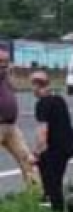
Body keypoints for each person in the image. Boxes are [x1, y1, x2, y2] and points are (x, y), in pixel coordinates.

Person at [32, 72, 73, 211]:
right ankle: (50, 199)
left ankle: (57, 209)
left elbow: (43, 132)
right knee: (50, 172)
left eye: (33, 86)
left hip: (56, 149)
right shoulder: (59, 100)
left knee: (52, 179)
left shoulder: (42, 104)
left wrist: (37, 152)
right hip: (70, 145)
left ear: (37, 86)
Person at [0, 47, 33, 191]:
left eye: (6, 61)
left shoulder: (6, 76)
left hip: (11, 126)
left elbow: (15, 87)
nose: (4, 64)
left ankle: (35, 194)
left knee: (26, 158)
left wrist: (9, 73)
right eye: (1, 61)